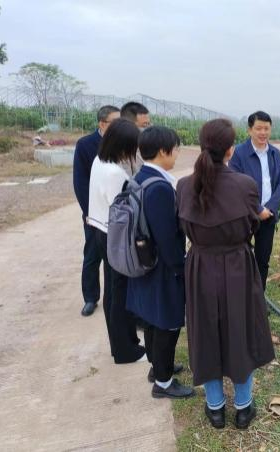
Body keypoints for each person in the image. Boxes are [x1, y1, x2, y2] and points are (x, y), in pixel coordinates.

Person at [177, 118, 275, 430]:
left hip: (200, 266)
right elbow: (253, 224)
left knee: (205, 332)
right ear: (231, 149)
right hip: (237, 265)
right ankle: (244, 407)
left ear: (202, 145)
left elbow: (182, 226)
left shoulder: (183, 186)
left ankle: (215, 407)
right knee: (240, 330)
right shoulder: (246, 185)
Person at [125, 126, 193, 398]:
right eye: (176, 149)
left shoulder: (140, 177)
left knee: (153, 319)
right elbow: (166, 237)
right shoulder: (160, 188)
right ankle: (163, 383)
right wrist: (181, 267)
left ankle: (157, 367)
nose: (177, 154)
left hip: (145, 262)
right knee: (168, 323)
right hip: (162, 267)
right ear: (164, 151)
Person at [87, 118, 146, 363]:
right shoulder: (114, 173)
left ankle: (121, 345)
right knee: (120, 293)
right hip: (114, 235)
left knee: (113, 290)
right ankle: (125, 350)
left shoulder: (100, 161)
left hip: (100, 229)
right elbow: (122, 212)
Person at [229, 111, 280, 290]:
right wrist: (257, 209)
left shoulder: (275, 153)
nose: (263, 133)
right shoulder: (239, 153)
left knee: (263, 259)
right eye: (259, 128)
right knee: (240, 257)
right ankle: (240, 295)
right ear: (249, 130)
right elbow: (236, 185)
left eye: (266, 128)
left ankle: (259, 297)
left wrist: (269, 208)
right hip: (245, 216)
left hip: (268, 216)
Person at [73, 105, 120, 316]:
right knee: (92, 255)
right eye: (115, 122)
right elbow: (80, 182)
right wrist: (89, 212)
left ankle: (116, 299)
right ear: (102, 123)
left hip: (118, 214)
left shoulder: (122, 144)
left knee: (117, 258)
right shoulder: (85, 145)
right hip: (95, 214)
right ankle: (90, 297)